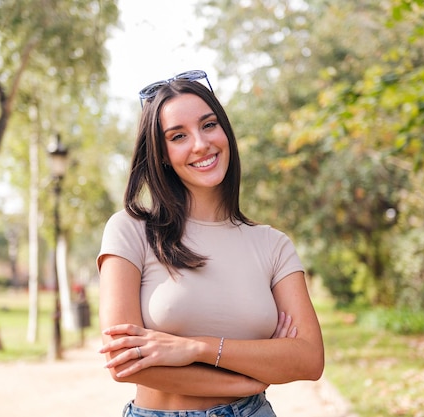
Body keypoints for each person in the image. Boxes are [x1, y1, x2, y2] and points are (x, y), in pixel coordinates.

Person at [97, 70, 324, 417]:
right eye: (178, 136)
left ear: (225, 133)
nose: (200, 144)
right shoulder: (131, 231)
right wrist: (249, 378)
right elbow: (126, 362)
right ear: (161, 153)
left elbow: (309, 359)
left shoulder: (273, 244)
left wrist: (195, 349)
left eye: (208, 125)